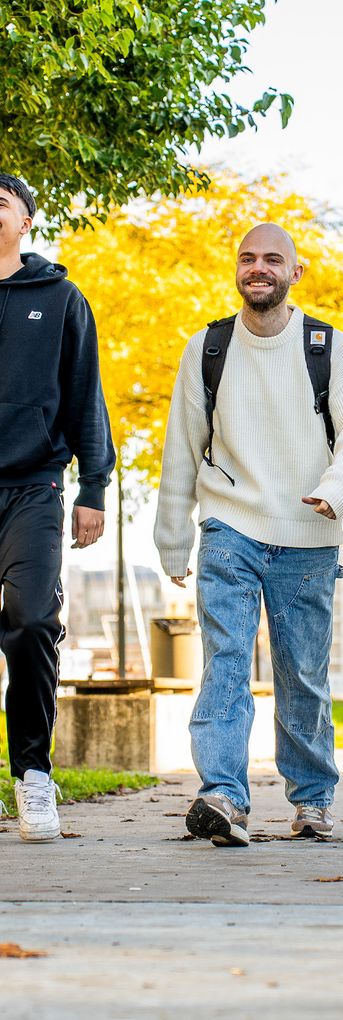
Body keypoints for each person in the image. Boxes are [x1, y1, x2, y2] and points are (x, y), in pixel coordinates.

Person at [154, 222, 343, 847]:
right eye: (248, 258)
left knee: (301, 672)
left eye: (273, 259)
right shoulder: (208, 348)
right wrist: (173, 536)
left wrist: (334, 491)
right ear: (237, 271)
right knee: (224, 661)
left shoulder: (329, 347)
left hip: (310, 530)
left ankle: (311, 800)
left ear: (295, 272)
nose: (259, 267)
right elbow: (182, 448)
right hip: (230, 523)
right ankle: (223, 794)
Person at [0, 174, 115, 841]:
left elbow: (84, 395)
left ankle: (34, 776)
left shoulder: (61, 298)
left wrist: (94, 489)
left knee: (33, 620)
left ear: (26, 222)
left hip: (36, 485)